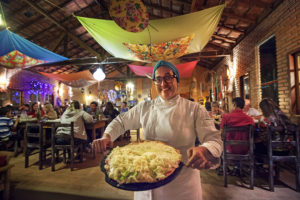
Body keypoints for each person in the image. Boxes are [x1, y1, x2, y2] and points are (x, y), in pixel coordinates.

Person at [92, 60, 222, 200]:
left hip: (181, 188)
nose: (163, 84)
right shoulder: (145, 107)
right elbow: (121, 121)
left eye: (168, 77)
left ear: (176, 79)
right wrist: (107, 136)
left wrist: (205, 149)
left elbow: (214, 139)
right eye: (158, 79)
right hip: (143, 183)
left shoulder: (194, 109)